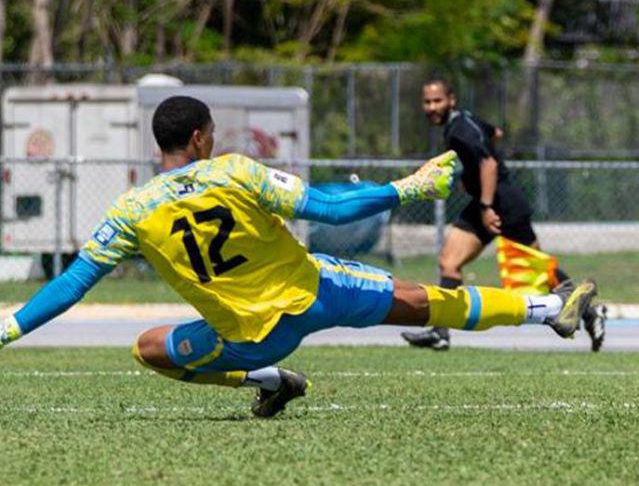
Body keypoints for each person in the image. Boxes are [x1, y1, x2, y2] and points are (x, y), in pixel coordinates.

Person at [0, 96, 597, 417]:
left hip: (246, 340)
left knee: (149, 348)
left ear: (160, 145)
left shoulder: (131, 210)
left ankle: (268, 381)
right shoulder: (233, 170)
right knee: (420, 302)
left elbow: (73, 283)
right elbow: (331, 211)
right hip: (314, 295)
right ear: (202, 137)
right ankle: (548, 308)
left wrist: (10, 327)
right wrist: (406, 188)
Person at [403, 79, 606, 352]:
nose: (431, 107)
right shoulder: (464, 122)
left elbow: (488, 162)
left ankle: (590, 312)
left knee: (537, 269)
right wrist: (472, 179)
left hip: (503, 204)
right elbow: (495, 133)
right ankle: (441, 332)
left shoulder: (461, 129)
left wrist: (487, 205)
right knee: (449, 261)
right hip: (485, 202)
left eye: (437, 100)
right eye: (427, 102)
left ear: (451, 99)